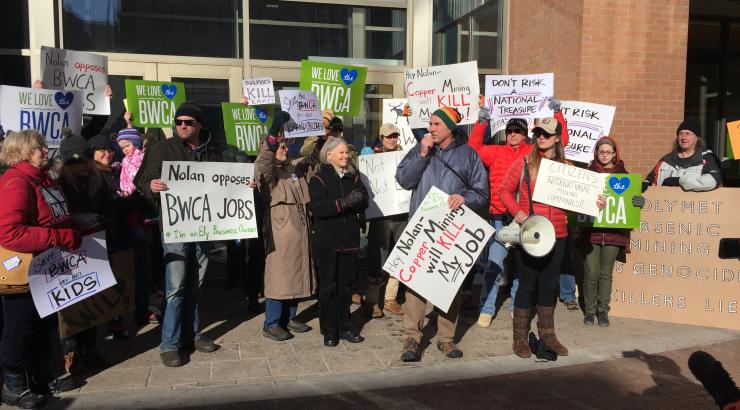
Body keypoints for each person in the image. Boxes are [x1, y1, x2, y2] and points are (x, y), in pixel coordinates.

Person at [499, 116, 605, 359]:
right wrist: (517, 212)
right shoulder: (524, 163)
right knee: (526, 286)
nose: (542, 138)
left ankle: (547, 334)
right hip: (531, 233)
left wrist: (596, 202)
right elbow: (504, 190)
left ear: (558, 137)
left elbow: (582, 201)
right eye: (538, 134)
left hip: (557, 235)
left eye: (547, 134)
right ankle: (520, 338)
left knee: (549, 286)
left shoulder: (568, 167)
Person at [395, 107, 489, 362]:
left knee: (449, 286)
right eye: (430, 124)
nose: (431, 128)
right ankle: (411, 339)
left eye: (436, 124)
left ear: (449, 127)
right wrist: (422, 154)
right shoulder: (421, 149)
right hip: (423, 228)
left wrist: (465, 198)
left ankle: (446, 339)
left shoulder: (468, 155)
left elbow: (482, 193)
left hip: (452, 231)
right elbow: (403, 180)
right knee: (414, 285)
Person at [136, 102, 221, 367]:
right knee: (175, 286)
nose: (182, 126)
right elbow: (141, 179)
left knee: (196, 284)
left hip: (204, 228)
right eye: (178, 121)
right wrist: (151, 185)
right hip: (175, 227)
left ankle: (191, 335)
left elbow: (225, 182)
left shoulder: (213, 150)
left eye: (188, 122)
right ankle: (169, 343)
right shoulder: (162, 148)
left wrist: (243, 185)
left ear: (200, 125)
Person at [470, 98, 568, 326]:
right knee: (495, 263)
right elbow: (474, 150)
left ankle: (517, 305)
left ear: (526, 135)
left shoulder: (533, 153)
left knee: (520, 267)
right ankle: (487, 307)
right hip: (501, 218)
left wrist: (558, 113)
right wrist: (481, 123)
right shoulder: (495, 152)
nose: (512, 133)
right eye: (509, 130)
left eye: (518, 130)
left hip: (528, 220)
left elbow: (560, 140)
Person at [0, 130, 80, 408]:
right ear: (22, 152)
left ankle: (39, 379)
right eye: (39, 148)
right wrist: (57, 237)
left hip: (47, 267)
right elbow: (9, 232)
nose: (45, 151)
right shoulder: (16, 182)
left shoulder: (44, 180)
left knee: (43, 327)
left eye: (44, 147)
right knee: (19, 328)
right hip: (24, 272)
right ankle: (12, 386)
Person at [57, 133, 117, 374]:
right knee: (70, 302)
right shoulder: (58, 185)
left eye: (84, 160)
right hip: (67, 249)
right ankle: (70, 351)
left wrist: (102, 223)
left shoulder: (99, 181)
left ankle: (91, 348)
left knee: (92, 300)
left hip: (94, 244)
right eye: (75, 162)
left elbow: (110, 211)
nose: (82, 165)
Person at [255, 111, 315, 341]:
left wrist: (316, 135)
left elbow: (311, 158)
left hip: (299, 222)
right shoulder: (269, 173)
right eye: (278, 146)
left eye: (284, 145)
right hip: (280, 224)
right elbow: (263, 163)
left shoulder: (292, 168)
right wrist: (272, 136)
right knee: (279, 272)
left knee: (297, 270)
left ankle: (289, 317)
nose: (283, 148)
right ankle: (271, 322)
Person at [308, 138, 369, 347]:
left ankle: (345, 326)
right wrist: (343, 203)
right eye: (341, 153)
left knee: (346, 287)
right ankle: (328, 330)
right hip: (327, 242)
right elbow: (318, 208)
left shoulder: (353, 176)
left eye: (346, 153)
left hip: (349, 239)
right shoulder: (319, 178)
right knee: (328, 288)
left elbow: (365, 199)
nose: (346, 156)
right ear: (329, 155)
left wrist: (359, 200)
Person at [578, 137, 644, 327]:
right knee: (591, 273)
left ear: (615, 154)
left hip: (615, 234)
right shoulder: (587, 175)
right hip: (590, 233)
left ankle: (603, 310)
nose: (605, 155)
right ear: (596, 153)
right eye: (601, 151)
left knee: (605, 274)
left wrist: (638, 202)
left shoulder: (626, 177)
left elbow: (632, 201)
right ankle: (590, 311)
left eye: (608, 152)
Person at [364, 123, 407, 318]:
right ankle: (373, 301)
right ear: (381, 138)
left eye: (395, 136)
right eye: (388, 136)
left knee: (398, 257)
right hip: (379, 218)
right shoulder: (370, 160)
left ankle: (390, 299)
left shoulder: (405, 158)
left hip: (401, 216)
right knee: (376, 259)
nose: (392, 139)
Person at [645, 118, 722, 191]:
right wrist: (645, 185)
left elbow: (712, 181)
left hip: (691, 204)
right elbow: (651, 181)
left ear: (697, 138)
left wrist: (680, 181)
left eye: (688, 133)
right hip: (667, 203)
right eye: (681, 133)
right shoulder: (666, 160)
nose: (683, 137)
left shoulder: (706, 158)